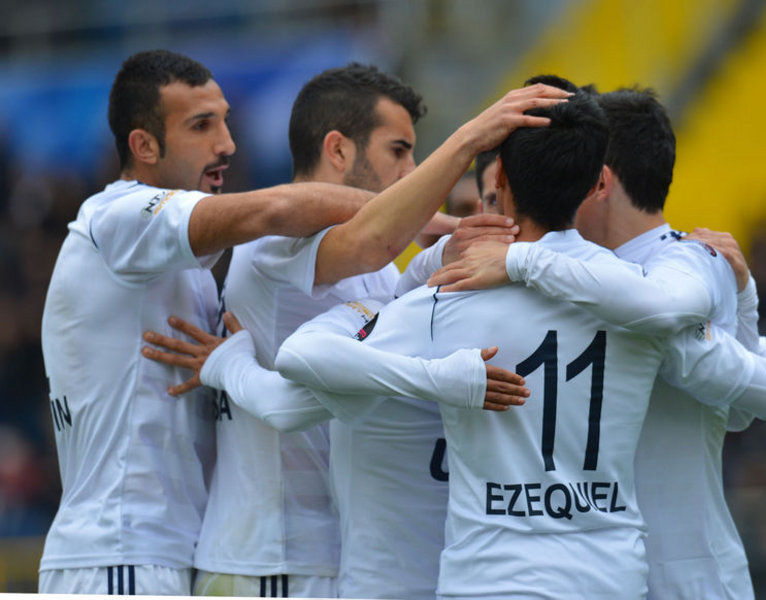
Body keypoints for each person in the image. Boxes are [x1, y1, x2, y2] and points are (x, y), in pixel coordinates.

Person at [182, 63, 562, 598]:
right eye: (398, 151)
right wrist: (471, 138)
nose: (411, 170)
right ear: (338, 150)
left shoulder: (381, 270)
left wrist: (438, 256)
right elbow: (370, 243)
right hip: (270, 560)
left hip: (331, 555)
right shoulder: (275, 244)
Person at [37, 49, 387, 595]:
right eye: (202, 126)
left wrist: (223, 365)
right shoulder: (117, 216)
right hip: (121, 556)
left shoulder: (182, 264)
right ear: (144, 146)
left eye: (225, 121)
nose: (227, 144)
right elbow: (273, 210)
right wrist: (423, 217)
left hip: (162, 552)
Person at [429, 87, 766, 599]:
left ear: (598, 182)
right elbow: (735, 410)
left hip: (691, 579)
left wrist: (745, 297)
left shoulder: (688, 264)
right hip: (608, 573)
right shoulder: (574, 277)